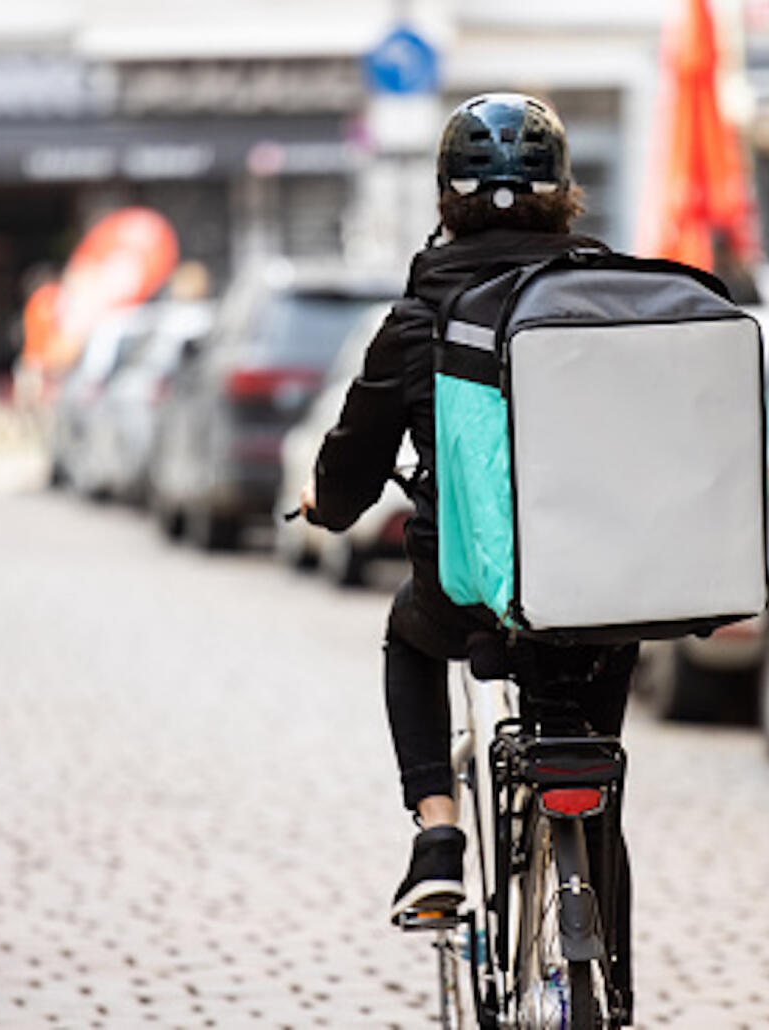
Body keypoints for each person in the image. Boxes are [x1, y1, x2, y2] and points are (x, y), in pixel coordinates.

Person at [296, 92, 638, 1018]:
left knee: (410, 639)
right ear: (564, 195)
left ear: (444, 198)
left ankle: (437, 836)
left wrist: (323, 507)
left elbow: (353, 467)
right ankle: (609, 970)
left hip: (467, 590)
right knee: (594, 763)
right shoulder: (608, 297)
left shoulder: (419, 317)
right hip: (597, 593)